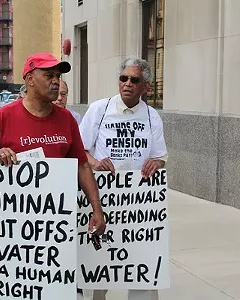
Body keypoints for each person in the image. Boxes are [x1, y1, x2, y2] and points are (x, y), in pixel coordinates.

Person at [0, 52, 106, 235]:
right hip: (15, 223)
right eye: (48, 75)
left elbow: (82, 166)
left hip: (56, 224)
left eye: (58, 76)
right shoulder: (4, 117)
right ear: (30, 79)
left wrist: (97, 209)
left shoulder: (67, 119)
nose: (56, 82)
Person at [79, 58, 168, 300]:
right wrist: (97, 163)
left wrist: (155, 163)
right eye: (123, 78)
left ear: (145, 87)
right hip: (104, 198)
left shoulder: (152, 117)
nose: (127, 83)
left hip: (138, 205)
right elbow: (79, 151)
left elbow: (160, 157)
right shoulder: (100, 109)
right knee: (100, 265)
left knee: (143, 264)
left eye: (134, 80)